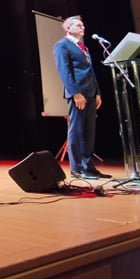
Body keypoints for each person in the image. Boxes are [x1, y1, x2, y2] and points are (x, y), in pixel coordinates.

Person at [53, 16, 109, 179]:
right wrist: (75, 93)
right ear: (68, 28)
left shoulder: (83, 47)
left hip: (90, 92)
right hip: (78, 93)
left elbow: (90, 71)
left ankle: (88, 168)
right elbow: (64, 71)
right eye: (78, 25)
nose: (82, 27)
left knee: (89, 132)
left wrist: (97, 92)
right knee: (77, 131)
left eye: (83, 25)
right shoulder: (62, 45)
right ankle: (77, 169)